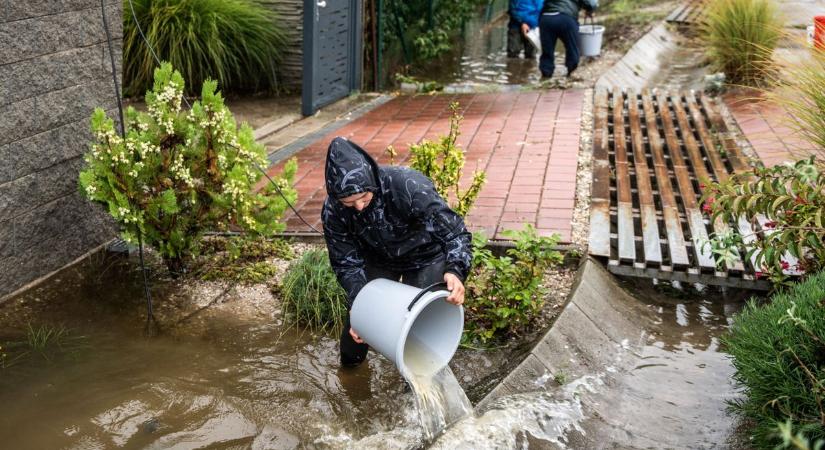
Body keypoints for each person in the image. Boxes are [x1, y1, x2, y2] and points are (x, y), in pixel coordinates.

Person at [322, 137, 471, 367]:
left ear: (372, 181)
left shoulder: (408, 186)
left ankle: (415, 384)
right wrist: (360, 304)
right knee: (356, 328)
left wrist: (456, 270)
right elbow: (346, 263)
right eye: (350, 203)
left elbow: (455, 232)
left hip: (425, 257)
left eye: (363, 197)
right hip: (379, 259)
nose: (359, 207)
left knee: (420, 326)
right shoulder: (333, 211)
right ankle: (351, 374)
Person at [538, 0, 598, 79]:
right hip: (566, 19)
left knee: (547, 52)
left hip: (546, 18)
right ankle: (570, 75)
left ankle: (545, 78)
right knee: (572, 49)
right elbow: (591, 3)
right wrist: (589, 10)